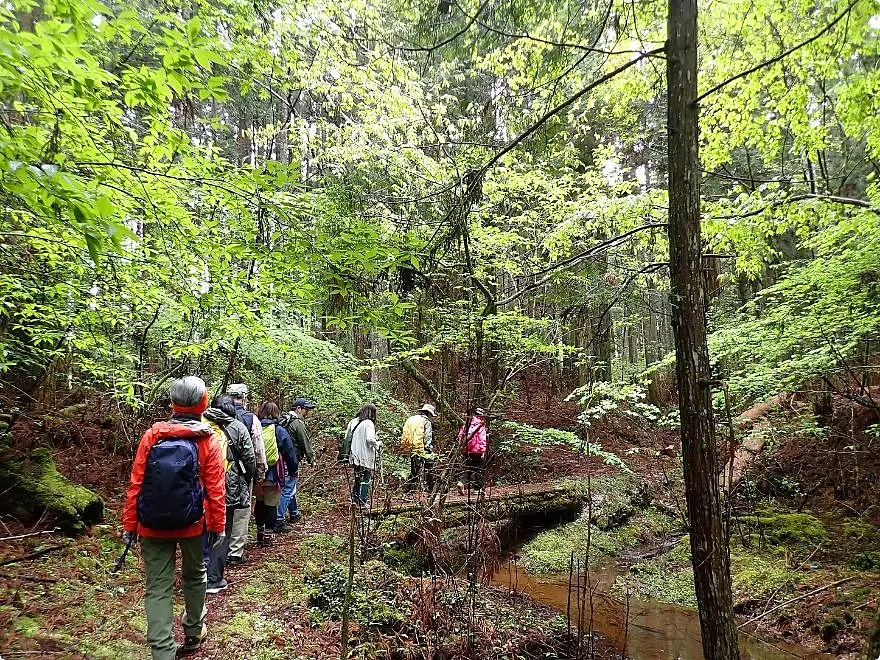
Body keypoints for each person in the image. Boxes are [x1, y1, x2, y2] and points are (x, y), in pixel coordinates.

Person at [122, 376, 226, 659]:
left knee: (157, 587)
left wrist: (130, 524)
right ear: (203, 403)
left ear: (172, 404)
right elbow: (216, 489)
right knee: (195, 576)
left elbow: (137, 484)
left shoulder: (153, 436)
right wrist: (219, 526)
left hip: (151, 524)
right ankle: (193, 630)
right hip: (194, 523)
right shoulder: (209, 441)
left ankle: (162, 651)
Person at [202, 394, 256, 594]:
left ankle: (197, 573)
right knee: (223, 526)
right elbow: (249, 458)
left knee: (202, 526)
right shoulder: (238, 427)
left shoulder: (200, 422)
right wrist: (247, 477)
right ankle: (214, 577)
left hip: (200, 482)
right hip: (229, 483)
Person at [226, 383, 266, 565]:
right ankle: (235, 551)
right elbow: (258, 449)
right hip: (242, 471)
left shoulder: (214, 415)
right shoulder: (251, 419)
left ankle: (219, 548)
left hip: (217, 470)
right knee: (241, 510)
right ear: (244, 397)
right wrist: (259, 471)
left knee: (221, 508)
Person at [255, 401, 299, 543]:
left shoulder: (253, 427)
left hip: (257, 473)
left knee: (260, 503)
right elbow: (290, 453)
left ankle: (259, 532)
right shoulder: (279, 430)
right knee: (271, 504)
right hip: (274, 473)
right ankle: (268, 535)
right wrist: (293, 470)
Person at [278, 398, 316, 525]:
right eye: (306, 410)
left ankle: (294, 513)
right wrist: (312, 459)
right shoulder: (297, 423)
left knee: (289, 487)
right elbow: (305, 442)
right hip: (291, 461)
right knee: (288, 489)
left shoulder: (283, 420)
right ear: (298, 408)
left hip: (280, 460)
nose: (307, 413)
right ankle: (279, 519)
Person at [345, 403, 381, 507]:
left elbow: (347, 437)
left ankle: (354, 498)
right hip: (365, 456)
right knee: (366, 478)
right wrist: (377, 444)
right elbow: (370, 439)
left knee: (357, 477)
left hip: (354, 455)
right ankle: (362, 501)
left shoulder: (353, 421)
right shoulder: (368, 423)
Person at [400, 403, 436, 497]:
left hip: (411, 449)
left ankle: (407, 492)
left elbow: (405, 434)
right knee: (429, 469)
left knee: (414, 471)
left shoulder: (411, 419)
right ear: (428, 413)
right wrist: (428, 451)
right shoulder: (426, 422)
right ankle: (431, 491)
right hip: (421, 449)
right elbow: (427, 438)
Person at [456, 407, 488, 495]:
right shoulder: (480, 425)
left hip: (466, 449)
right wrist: (483, 451)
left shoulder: (467, 423)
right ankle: (477, 489)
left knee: (467, 467)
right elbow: (482, 439)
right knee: (478, 468)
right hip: (477, 450)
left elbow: (460, 436)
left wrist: (461, 448)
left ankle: (461, 482)